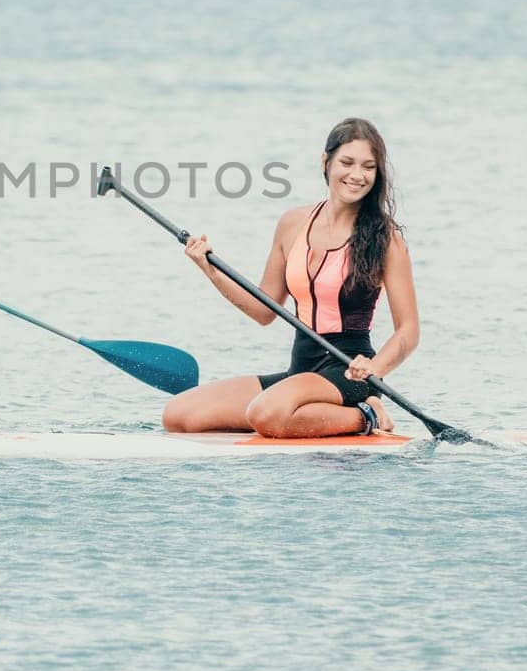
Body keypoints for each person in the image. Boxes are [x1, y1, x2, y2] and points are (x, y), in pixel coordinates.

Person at [161, 118, 419, 438]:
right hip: (302, 368)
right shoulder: (292, 224)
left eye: (368, 166)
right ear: (326, 162)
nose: (357, 174)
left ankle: (366, 414)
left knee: (265, 413)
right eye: (347, 162)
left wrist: (375, 368)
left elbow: (408, 330)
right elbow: (264, 311)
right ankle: (298, 411)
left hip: (347, 374)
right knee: (179, 415)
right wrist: (207, 268)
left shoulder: (386, 238)